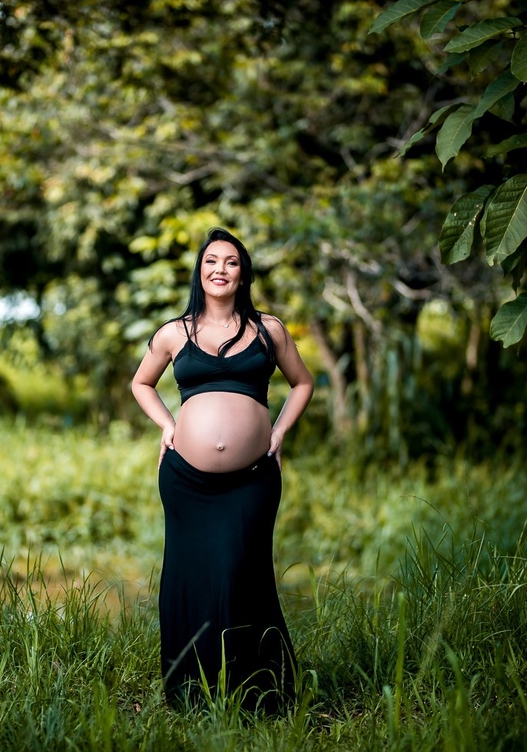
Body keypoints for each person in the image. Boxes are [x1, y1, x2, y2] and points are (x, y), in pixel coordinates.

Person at [131, 227, 314, 711]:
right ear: (200, 270)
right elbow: (141, 384)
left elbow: (302, 383)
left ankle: (258, 693)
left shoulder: (269, 329)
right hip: (186, 481)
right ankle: (190, 692)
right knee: (190, 574)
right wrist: (168, 426)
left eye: (231, 262)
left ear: (243, 273)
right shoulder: (175, 332)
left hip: (252, 478)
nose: (220, 269)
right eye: (212, 261)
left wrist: (276, 433)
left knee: (241, 570)